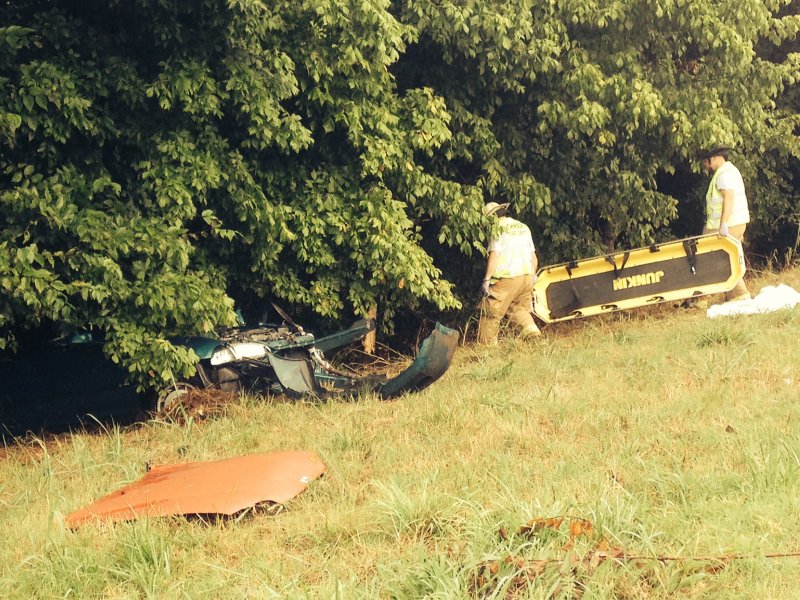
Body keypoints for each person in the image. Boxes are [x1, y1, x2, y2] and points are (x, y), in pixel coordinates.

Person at [477, 201, 541, 344]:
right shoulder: (523, 227)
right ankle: (535, 336)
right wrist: (533, 275)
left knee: (490, 312)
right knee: (517, 309)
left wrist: (487, 279)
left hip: (507, 277)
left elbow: (495, 255)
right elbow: (533, 256)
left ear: (491, 217)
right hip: (527, 277)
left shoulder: (497, 228)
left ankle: (487, 350)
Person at [698, 145, 751, 302]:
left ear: (714, 158)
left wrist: (723, 225)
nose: (706, 167)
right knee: (726, 258)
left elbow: (728, 198)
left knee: (704, 255)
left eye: (707, 163)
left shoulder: (724, 174)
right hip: (735, 222)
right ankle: (737, 294)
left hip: (728, 225)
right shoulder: (731, 171)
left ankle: (702, 297)